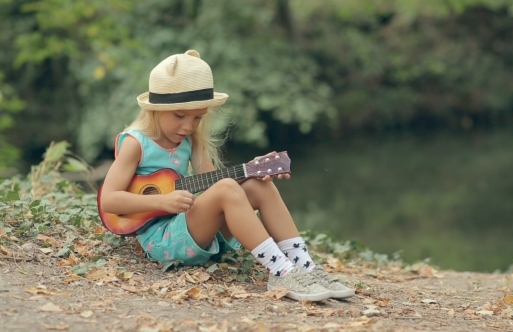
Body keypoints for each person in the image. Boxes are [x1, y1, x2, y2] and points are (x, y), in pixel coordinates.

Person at [99, 50, 355, 301]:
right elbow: (109, 200)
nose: (188, 126)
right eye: (179, 116)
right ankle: (281, 271)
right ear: (155, 109)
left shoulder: (191, 140)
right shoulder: (135, 143)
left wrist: (249, 170)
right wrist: (161, 202)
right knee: (227, 189)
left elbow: (215, 186)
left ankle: (304, 265)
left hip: (192, 227)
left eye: (197, 118)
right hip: (162, 239)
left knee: (258, 187)